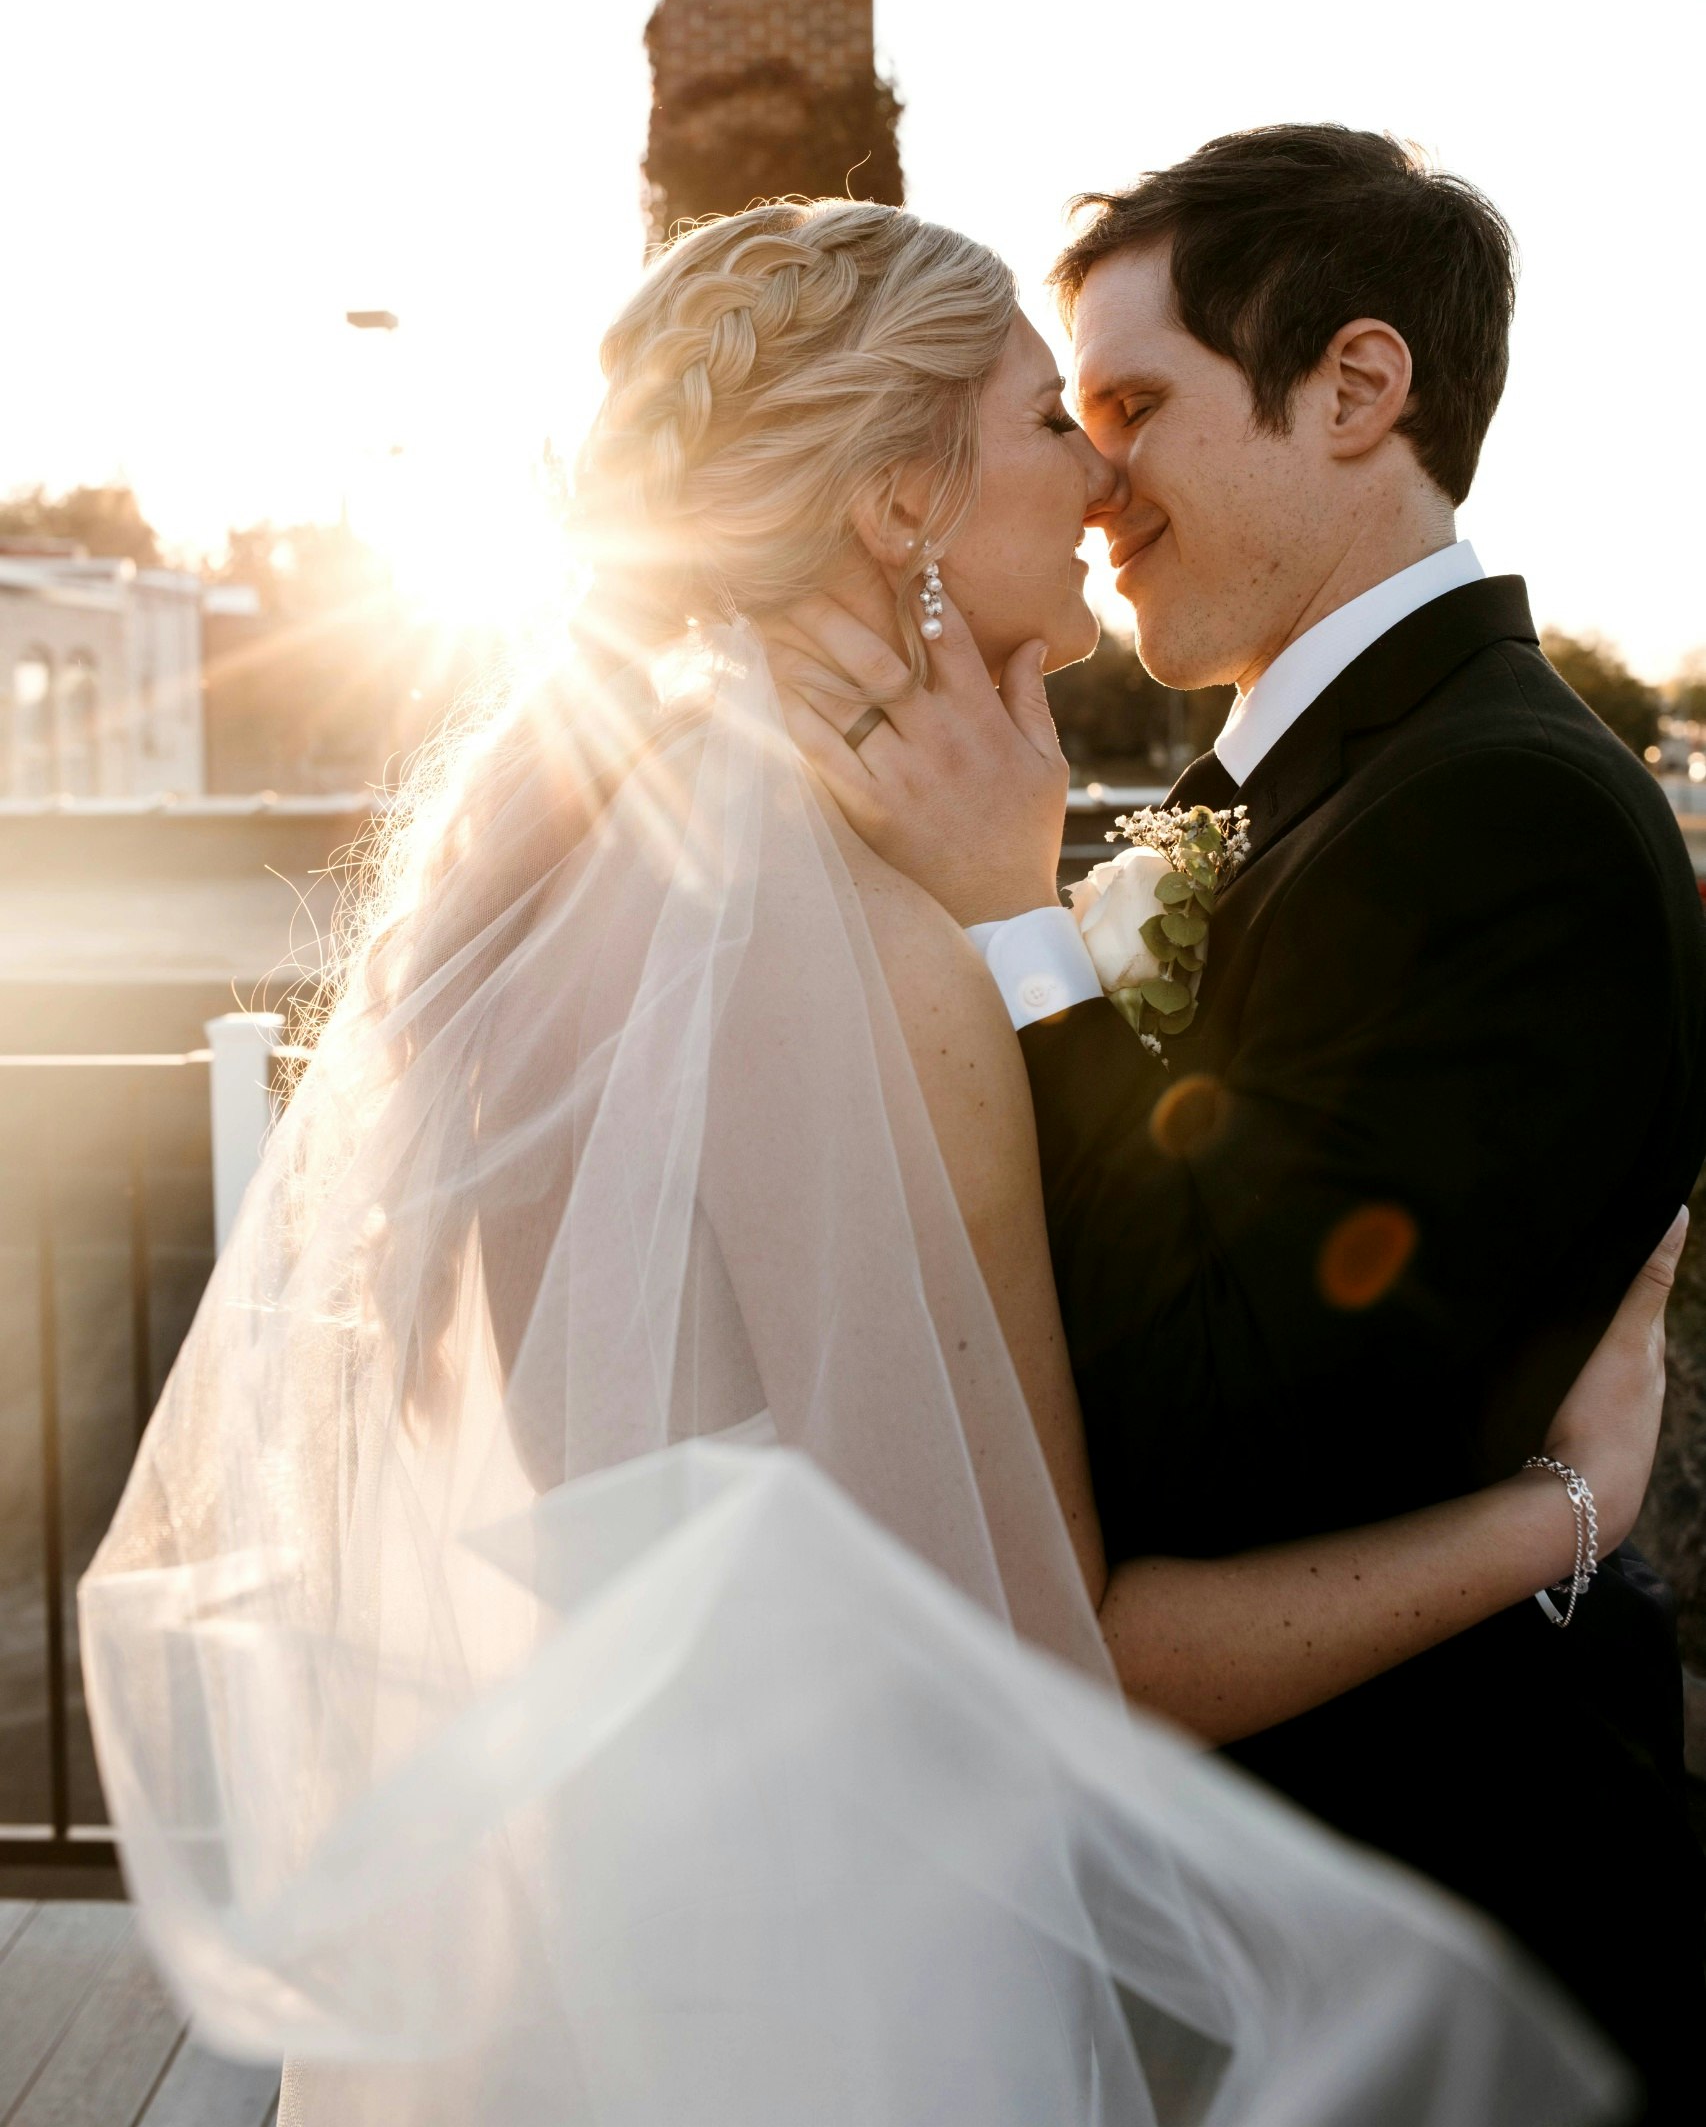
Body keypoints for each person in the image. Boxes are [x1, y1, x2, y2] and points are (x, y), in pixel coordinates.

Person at [83, 198, 1675, 2127]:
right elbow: (1060, 1652)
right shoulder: (886, 953)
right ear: (899, 504)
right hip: (854, 1962)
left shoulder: (574, 859)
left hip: (611, 1904)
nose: (1093, 473)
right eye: (1043, 420)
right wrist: (1570, 1502)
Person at [776, 136, 1706, 2124]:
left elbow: (1219, 1428)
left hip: (1436, 1940)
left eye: (1132, 406)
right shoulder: (1314, 797)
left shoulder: (1503, 816)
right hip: (1231, 1924)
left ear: (1357, 390)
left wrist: (1029, 933)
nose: (1097, 481)